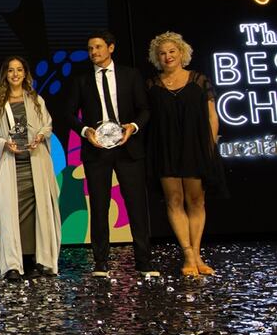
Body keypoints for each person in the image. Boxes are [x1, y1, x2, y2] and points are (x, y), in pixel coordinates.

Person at [63, 30, 158, 278]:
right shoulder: (81, 80)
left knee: (136, 205)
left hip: (128, 148)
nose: (93, 52)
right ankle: (101, 262)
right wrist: (85, 131)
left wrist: (133, 127)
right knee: (99, 205)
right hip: (96, 150)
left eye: (98, 47)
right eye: (90, 48)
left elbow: (145, 109)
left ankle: (144, 261)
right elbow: (69, 114)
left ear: (111, 48)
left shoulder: (130, 75)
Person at [145, 31, 224, 276]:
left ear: (181, 53)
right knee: (174, 200)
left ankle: (198, 254)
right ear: (157, 57)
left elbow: (212, 116)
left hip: (195, 147)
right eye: (162, 53)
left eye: (172, 51)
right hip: (165, 148)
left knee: (196, 200)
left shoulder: (199, 80)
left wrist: (209, 147)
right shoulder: (152, 85)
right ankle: (188, 255)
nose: (167, 56)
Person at [0, 56, 61, 281]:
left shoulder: (36, 100)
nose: (15, 74)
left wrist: (40, 136)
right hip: (11, 165)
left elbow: (47, 124)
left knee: (38, 212)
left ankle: (36, 260)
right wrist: (5, 144)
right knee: (11, 214)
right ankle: (12, 265)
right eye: (11, 70)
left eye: (19, 70)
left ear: (25, 74)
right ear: (5, 75)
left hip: (35, 163)